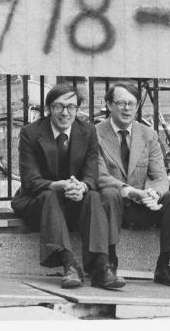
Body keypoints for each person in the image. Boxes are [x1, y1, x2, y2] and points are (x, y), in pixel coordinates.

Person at [11, 83, 126, 291]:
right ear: (48, 109)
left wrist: (82, 186)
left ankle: (101, 266)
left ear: (77, 108)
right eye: (58, 107)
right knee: (49, 196)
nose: (65, 113)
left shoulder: (87, 130)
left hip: (75, 199)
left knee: (92, 196)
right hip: (40, 201)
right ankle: (70, 265)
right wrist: (58, 185)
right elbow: (30, 179)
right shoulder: (31, 132)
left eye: (71, 107)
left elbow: (92, 172)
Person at [96, 81, 170, 286]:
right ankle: (109, 263)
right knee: (109, 193)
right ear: (109, 105)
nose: (126, 108)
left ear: (138, 106)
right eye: (120, 103)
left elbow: (160, 176)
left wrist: (154, 193)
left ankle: (164, 265)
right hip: (114, 205)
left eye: (132, 103)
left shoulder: (148, 134)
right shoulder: (95, 133)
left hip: (144, 205)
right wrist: (132, 192)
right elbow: (99, 176)